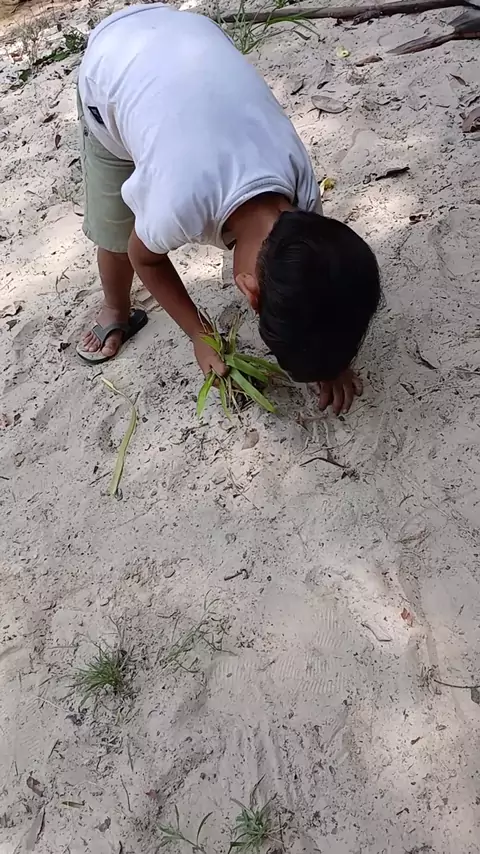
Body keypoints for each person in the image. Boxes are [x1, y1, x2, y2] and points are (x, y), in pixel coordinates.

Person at [77, 3, 380, 415]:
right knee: (116, 234)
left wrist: (329, 358)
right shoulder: (177, 204)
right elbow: (143, 257)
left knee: (155, 151)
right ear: (249, 291)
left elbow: (324, 287)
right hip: (111, 69)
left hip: (189, 40)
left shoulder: (301, 193)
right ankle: (115, 307)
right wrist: (199, 333)